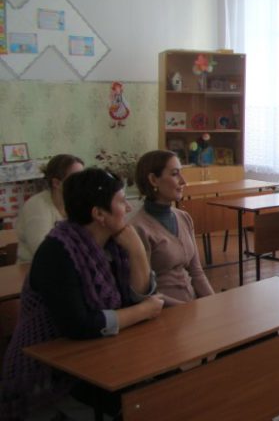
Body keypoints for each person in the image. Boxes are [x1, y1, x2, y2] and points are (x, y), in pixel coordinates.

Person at [1, 168, 164, 420]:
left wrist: (137, 251)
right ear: (99, 214)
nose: (129, 207)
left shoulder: (114, 245)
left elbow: (136, 296)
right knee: (136, 406)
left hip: (101, 355)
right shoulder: (57, 252)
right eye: (122, 201)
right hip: (51, 375)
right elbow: (79, 325)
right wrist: (143, 311)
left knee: (165, 387)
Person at [131, 150, 215, 306]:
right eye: (175, 174)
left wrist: (214, 303)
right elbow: (147, 292)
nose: (183, 181)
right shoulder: (138, 228)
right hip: (165, 312)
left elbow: (197, 273)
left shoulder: (184, 217)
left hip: (191, 306)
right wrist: (188, 310)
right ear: (153, 180)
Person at [15, 154, 84, 262]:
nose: (83, 184)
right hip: (33, 267)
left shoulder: (77, 203)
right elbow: (43, 252)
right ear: (56, 183)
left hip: (67, 265)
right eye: (76, 178)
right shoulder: (37, 206)